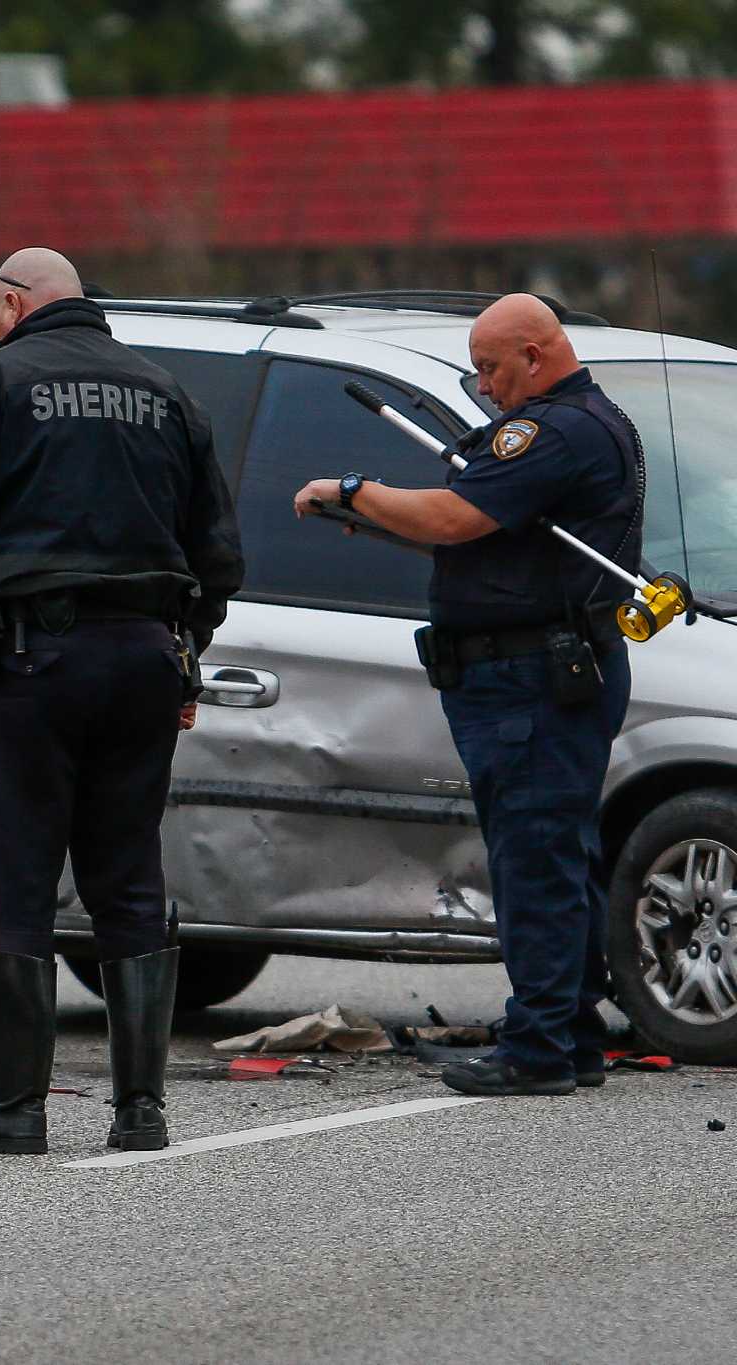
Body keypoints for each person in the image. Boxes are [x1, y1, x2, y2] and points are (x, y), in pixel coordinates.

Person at [0, 247, 244, 1154]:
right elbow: (220, 553)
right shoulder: (167, 392)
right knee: (128, 874)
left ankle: (20, 1109)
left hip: (31, 661)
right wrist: (187, 644)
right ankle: (141, 1110)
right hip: (144, 661)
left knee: (19, 876)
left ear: (11, 304)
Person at [292, 292, 642, 1098]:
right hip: (544, 668)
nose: (483, 387)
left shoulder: (554, 431)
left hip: (531, 678)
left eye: (490, 368)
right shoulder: (586, 424)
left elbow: (456, 515)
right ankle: (569, 1035)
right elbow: (499, 534)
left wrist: (351, 490)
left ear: (535, 353)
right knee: (557, 851)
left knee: (535, 858)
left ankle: (540, 1047)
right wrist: (387, 517)